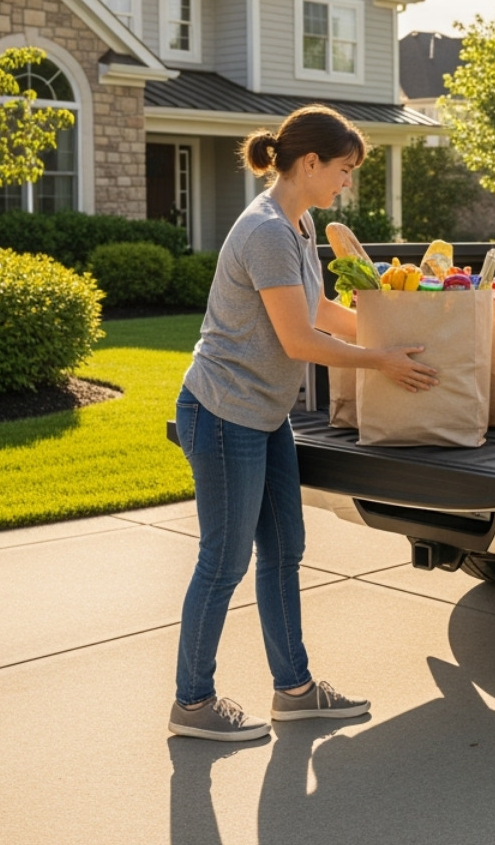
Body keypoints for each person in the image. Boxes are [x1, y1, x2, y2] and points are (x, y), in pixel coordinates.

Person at [168, 105, 437, 742]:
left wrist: (391, 333)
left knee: (285, 549)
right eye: (343, 169)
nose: (347, 181)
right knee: (223, 561)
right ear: (310, 163)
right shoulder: (264, 230)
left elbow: (314, 306)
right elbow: (299, 340)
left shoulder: (298, 222)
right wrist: (381, 361)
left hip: (265, 414)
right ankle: (192, 703)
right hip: (223, 411)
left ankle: (294, 690)